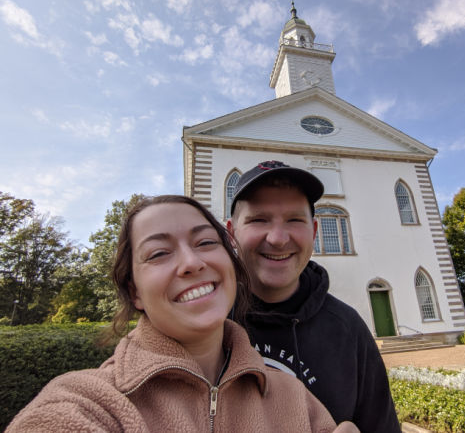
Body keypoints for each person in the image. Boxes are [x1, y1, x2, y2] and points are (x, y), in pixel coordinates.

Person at [7, 195, 354, 432]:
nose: (192, 262)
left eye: (205, 243)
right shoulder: (89, 402)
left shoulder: (293, 397)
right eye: (158, 253)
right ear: (134, 292)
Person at [227, 161, 402, 432]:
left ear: (315, 232)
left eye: (295, 220)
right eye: (258, 220)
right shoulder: (206, 322)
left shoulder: (347, 327)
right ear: (231, 233)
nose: (277, 238)